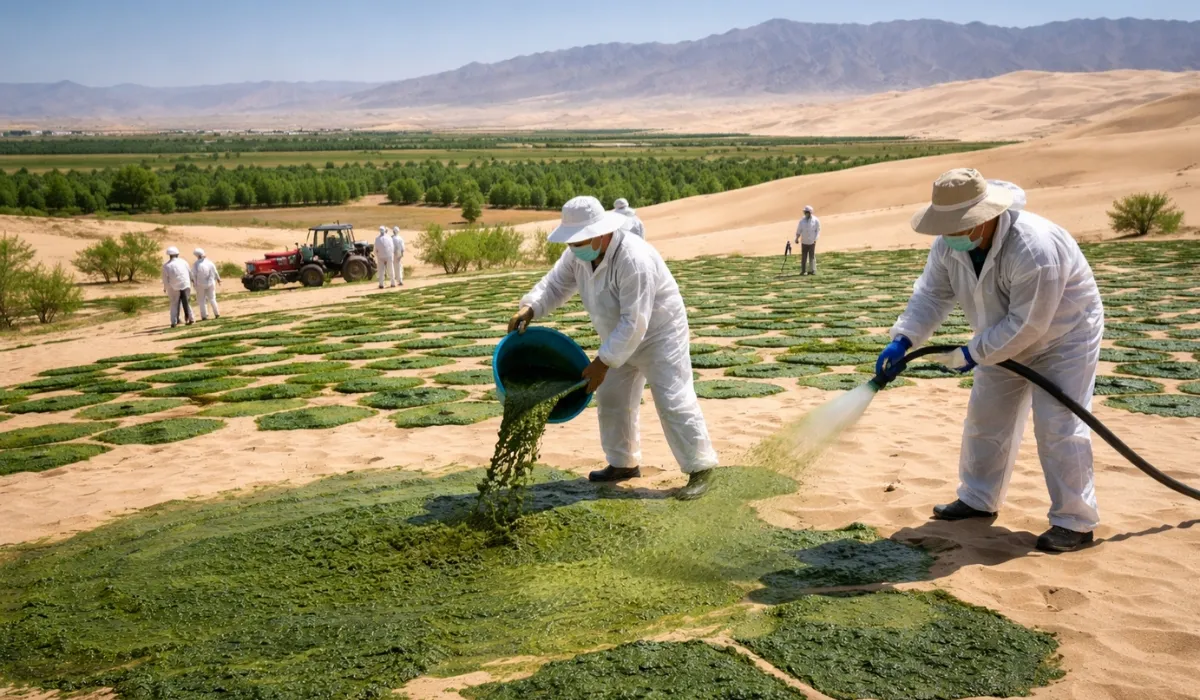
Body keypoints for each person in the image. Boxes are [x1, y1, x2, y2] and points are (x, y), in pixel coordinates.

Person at [875, 168, 1104, 553]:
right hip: (997, 333)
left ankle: (1074, 521)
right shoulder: (950, 245)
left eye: (958, 224)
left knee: (1058, 424)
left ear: (985, 217)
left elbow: (1029, 323)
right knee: (986, 416)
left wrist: (972, 353)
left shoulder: (1034, 248)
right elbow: (931, 295)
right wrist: (904, 338)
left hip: (1063, 337)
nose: (950, 233)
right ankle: (978, 500)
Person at [508, 195, 718, 499]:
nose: (576, 246)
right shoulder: (577, 256)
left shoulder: (634, 259)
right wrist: (530, 308)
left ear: (603, 232)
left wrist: (603, 361)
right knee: (611, 397)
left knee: (672, 397)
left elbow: (636, 322)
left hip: (659, 335)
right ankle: (623, 464)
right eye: (573, 241)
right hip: (617, 335)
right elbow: (554, 286)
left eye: (582, 240)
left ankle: (701, 468)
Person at [161, 246, 194, 328]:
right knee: (187, 302)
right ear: (177, 254)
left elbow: (165, 279)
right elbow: (190, 273)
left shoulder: (166, 266)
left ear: (169, 255)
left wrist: (165, 287)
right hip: (186, 285)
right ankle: (191, 318)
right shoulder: (184, 262)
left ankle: (174, 322)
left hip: (173, 287)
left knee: (174, 304)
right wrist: (192, 280)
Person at [192, 248, 221, 321]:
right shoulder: (209, 262)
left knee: (201, 300)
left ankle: (204, 316)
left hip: (200, 284)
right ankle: (217, 313)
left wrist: (195, 284)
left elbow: (194, 275)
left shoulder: (196, 264)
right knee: (212, 298)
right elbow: (215, 271)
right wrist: (218, 279)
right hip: (211, 283)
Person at [794, 205, 820, 275]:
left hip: (812, 241)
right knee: (804, 257)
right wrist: (797, 238)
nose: (805, 213)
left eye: (807, 212)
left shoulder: (815, 220)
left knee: (812, 256)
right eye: (805, 212)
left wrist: (816, 239)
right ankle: (803, 271)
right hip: (804, 242)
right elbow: (799, 230)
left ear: (810, 212)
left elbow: (818, 230)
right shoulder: (802, 221)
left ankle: (812, 270)